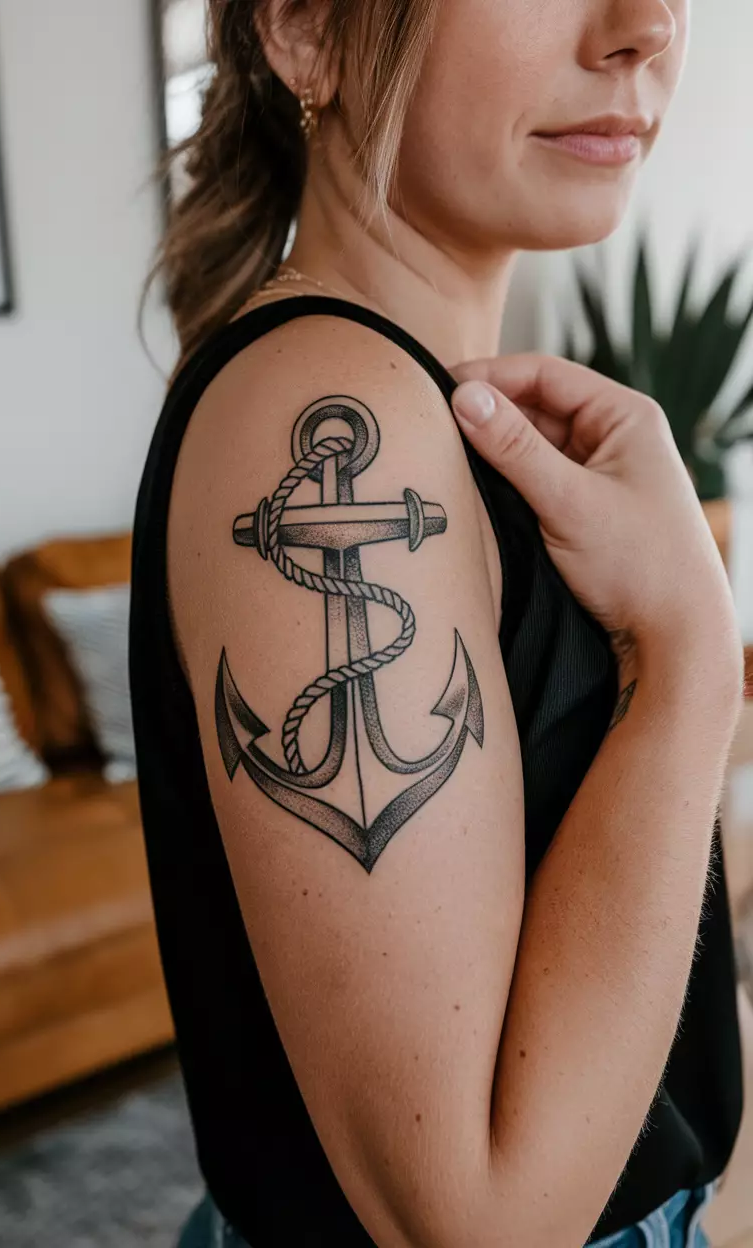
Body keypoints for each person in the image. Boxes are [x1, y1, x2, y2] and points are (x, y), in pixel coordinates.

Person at [129, 1, 746, 1245]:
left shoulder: (438, 419)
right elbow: (476, 1224)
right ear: (305, 34)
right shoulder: (322, 406)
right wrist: (686, 658)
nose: (646, 28)